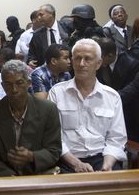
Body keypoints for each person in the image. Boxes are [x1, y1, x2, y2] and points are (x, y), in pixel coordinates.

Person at [48, 39, 127, 173]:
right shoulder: (57, 93)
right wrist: (75, 163)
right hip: (66, 160)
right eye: (77, 58)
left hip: (102, 158)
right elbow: (54, 137)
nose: (81, 64)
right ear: (72, 62)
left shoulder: (111, 96)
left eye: (87, 59)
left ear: (99, 63)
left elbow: (116, 138)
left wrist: (107, 165)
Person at [0, 60, 61, 177]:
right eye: (8, 84)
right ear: (2, 86)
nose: (14, 89)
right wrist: (8, 176)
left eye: (19, 83)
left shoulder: (48, 110)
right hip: (3, 178)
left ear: (29, 83)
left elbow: (54, 150)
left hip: (39, 175)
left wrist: (32, 156)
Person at [28, 4, 70, 68]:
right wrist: (30, 61)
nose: (38, 18)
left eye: (41, 15)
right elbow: (32, 53)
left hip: (67, 69)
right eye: (38, 15)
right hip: (47, 72)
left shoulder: (67, 28)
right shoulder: (37, 34)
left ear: (51, 14)